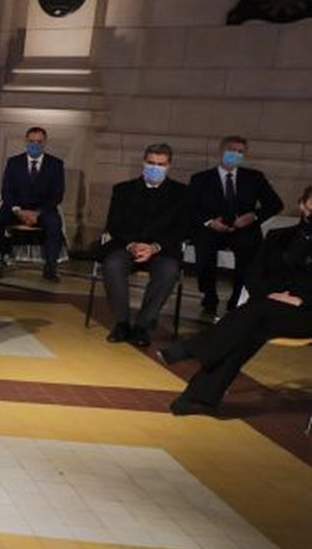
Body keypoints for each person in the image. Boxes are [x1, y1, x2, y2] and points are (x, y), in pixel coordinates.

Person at [162, 185, 312, 415]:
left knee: (252, 316)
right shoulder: (277, 236)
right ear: (303, 204)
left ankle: (191, 350)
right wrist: (271, 295)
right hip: (269, 308)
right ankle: (198, 396)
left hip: (306, 313)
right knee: (248, 329)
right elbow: (253, 275)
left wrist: (301, 301)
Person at [99, 143, 193, 347]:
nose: (155, 167)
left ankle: (142, 325)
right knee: (113, 265)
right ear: (143, 163)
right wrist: (133, 245)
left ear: (169, 166)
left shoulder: (182, 193)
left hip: (162, 250)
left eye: (160, 164)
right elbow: (114, 224)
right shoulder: (123, 190)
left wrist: (154, 247)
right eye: (151, 163)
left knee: (169, 270)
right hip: (127, 246)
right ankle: (122, 323)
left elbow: (182, 229)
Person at [188, 136, 282, 316]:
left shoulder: (254, 177)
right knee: (204, 246)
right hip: (212, 229)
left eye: (240, 152)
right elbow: (191, 208)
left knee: (250, 248)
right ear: (221, 150)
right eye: (232, 150)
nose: (235, 154)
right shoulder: (201, 179)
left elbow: (275, 204)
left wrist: (253, 216)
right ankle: (209, 296)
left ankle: (237, 296)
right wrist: (209, 222)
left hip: (243, 229)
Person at [0, 126, 65, 282]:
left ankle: (50, 268)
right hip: (16, 208)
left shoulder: (55, 164)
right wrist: (18, 211)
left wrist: (37, 213)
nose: (35, 145)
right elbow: (7, 190)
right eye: (31, 141)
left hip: (42, 210)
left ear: (45, 143)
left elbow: (57, 195)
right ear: (26, 142)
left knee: (55, 223)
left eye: (39, 142)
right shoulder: (14, 162)